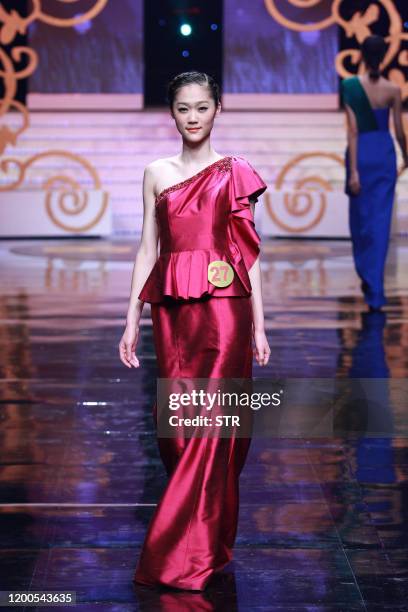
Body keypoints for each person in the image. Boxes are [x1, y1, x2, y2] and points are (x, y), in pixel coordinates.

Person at [118, 71, 271, 591]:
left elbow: (250, 255)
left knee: (215, 425)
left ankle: (184, 555)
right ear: (172, 114)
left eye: (202, 107)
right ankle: (208, 535)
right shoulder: (156, 173)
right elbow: (147, 248)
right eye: (184, 109)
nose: (193, 117)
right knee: (179, 433)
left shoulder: (236, 173)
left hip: (226, 310)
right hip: (173, 314)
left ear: (218, 109)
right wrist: (130, 318)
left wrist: (259, 325)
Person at [342, 35, 408, 311]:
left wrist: (354, 171)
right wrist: (406, 156)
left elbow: (353, 131)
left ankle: (369, 277)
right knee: (380, 224)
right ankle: (375, 289)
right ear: (384, 57)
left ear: (361, 54)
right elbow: (399, 130)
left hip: (361, 155)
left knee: (362, 223)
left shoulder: (349, 86)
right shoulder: (393, 89)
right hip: (383, 154)